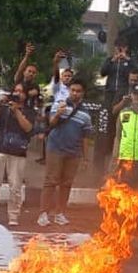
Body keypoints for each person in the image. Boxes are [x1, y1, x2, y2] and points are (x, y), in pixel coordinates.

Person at [37, 78, 92, 227]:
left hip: (74, 152)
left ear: (83, 93)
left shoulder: (86, 113)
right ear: (69, 91)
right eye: (72, 90)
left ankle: (59, 213)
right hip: (55, 148)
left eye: (78, 91)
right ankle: (44, 213)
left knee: (66, 184)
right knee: (51, 181)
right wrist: (57, 114)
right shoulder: (59, 104)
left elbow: (86, 137)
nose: (75, 93)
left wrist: (86, 158)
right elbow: (51, 123)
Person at [0, 82, 35, 225]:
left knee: (15, 187)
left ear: (25, 95)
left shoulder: (29, 111)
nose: (18, 94)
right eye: (15, 91)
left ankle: (13, 216)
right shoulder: (4, 107)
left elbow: (28, 128)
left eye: (21, 91)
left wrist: (17, 112)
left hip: (18, 152)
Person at [98, 42, 135, 167]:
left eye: (122, 47)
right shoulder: (110, 60)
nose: (120, 49)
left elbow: (137, 73)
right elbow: (102, 72)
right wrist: (113, 60)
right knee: (108, 123)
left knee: (120, 121)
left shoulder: (128, 62)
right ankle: (107, 152)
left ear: (126, 48)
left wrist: (127, 59)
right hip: (109, 94)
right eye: (117, 47)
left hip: (122, 94)